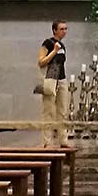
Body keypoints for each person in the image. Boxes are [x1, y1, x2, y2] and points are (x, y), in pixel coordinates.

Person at [37, 20, 69, 148]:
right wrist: (54, 51)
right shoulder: (48, 43)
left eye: (66, 29)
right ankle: (47, 142)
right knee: (48, 111)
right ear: (55, 30)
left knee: (62, 111)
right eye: (61, 29)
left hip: (61, 79)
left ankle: (63, 140)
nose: (64, 31)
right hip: (50, 79)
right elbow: (41, 62)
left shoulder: (62, 45)